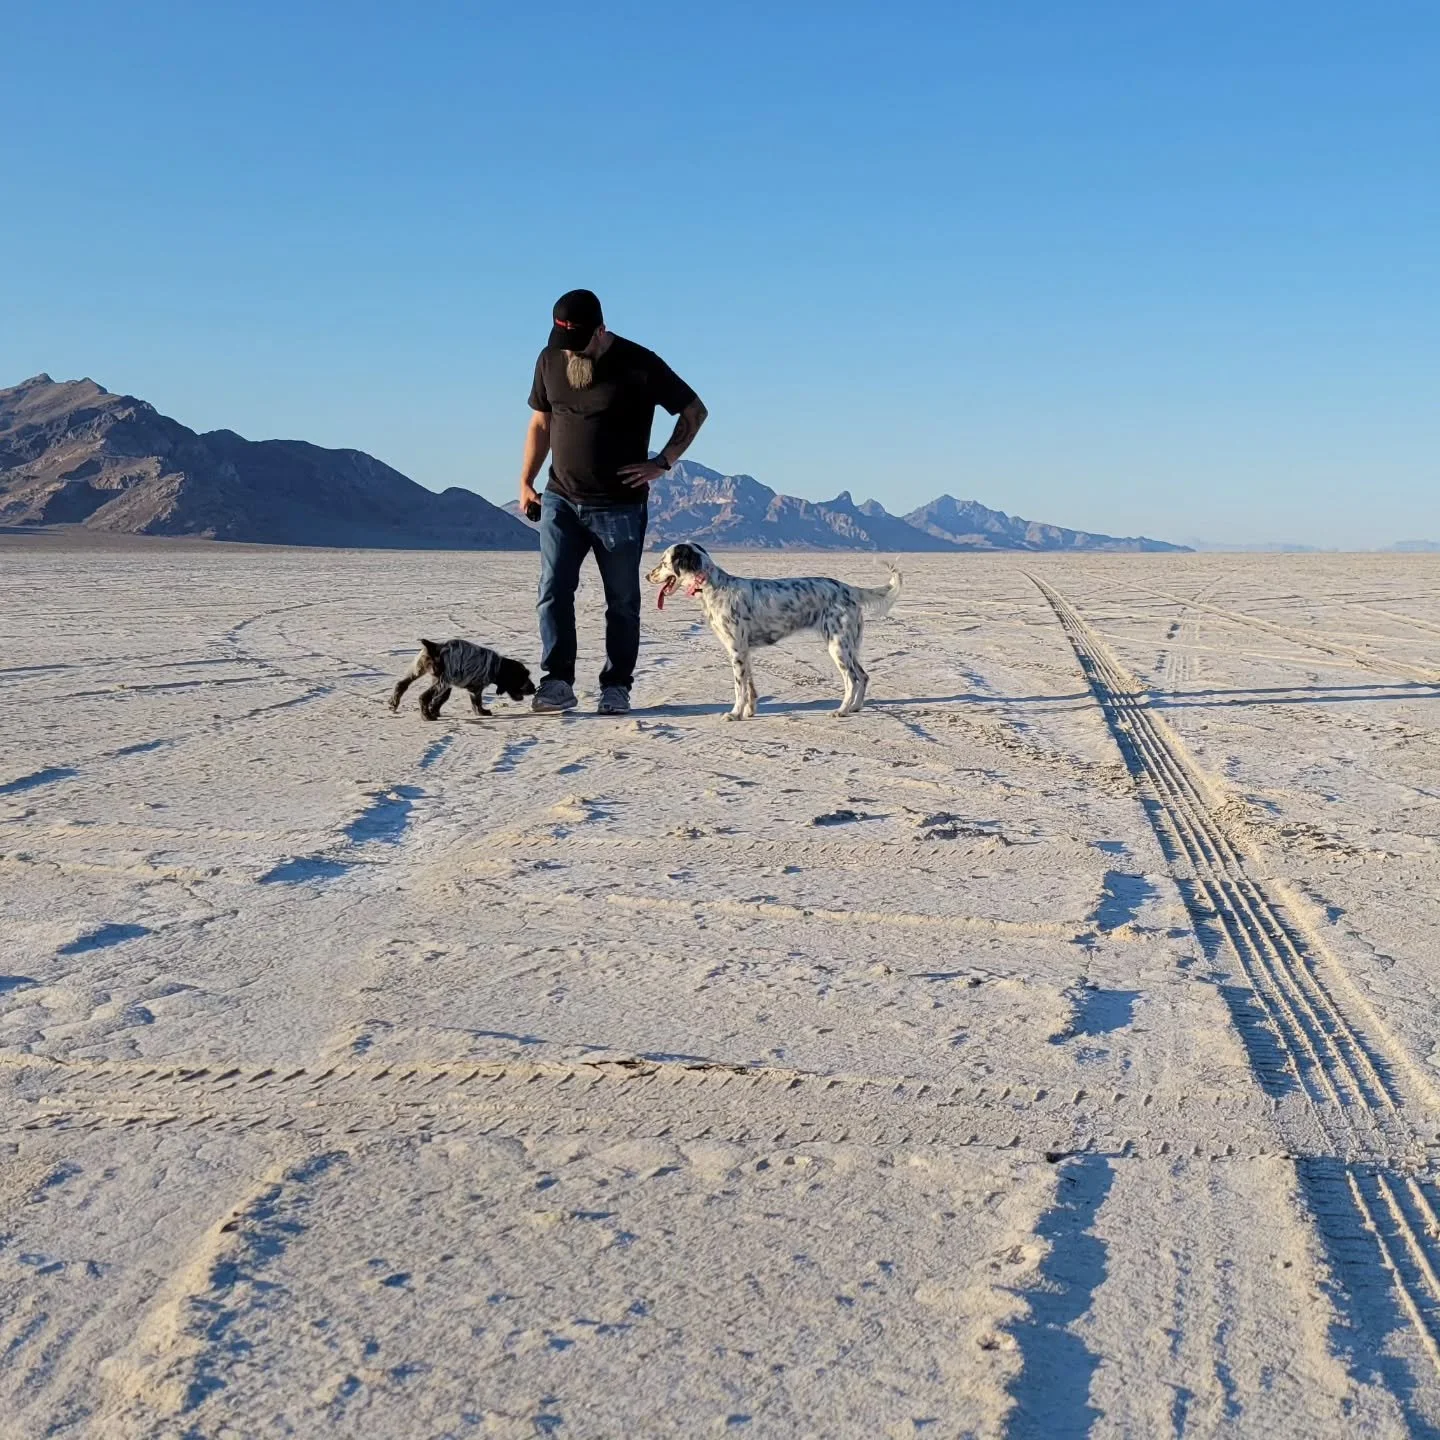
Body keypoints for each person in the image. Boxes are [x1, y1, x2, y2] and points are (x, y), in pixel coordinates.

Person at [519, 289, 708, 714]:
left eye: (579, 344)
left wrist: (663, 461)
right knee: (552, 590)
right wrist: (526, 480)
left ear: (601, 330)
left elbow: (694, 411)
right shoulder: (550, 360)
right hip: (560, 499)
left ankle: (616, 686)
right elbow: (541, 422)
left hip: (619, 507)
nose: (570, 353)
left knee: (622, 600)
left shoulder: (639, 363)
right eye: (563, 343)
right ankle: (556, 683)